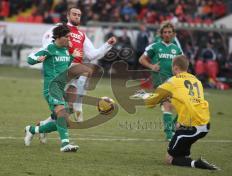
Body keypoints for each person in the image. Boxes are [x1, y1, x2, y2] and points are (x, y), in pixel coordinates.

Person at [38, 7, 116, 144]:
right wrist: (54, 55)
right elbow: (46, 41)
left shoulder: (81, 35)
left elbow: (92, 55)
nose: (77, 17)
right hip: (63, 67)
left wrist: (107, 45)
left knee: (66, 112)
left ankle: (41, 127)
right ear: (68, 15)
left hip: (73, 75)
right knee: (88, 70)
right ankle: (80, 105)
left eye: (79, 15)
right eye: (74, 14)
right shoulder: (59, 28)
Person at [24, 24, 92, 152]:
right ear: (59, 37)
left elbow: (64, 65)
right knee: (61, 112)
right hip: (51, 87)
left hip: (61, 88)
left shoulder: (66, 51)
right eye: (67, 37)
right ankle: (65, 144)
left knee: (64, 121)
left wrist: (72, 57)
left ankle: (32, 130)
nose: (69, 40)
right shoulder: (49, 48)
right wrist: (37, 59)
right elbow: (30, 58)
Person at [144, 55, 219, 170]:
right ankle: (187, 156)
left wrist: (145, 97)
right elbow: (188, 101)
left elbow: (151, 101)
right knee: (179, 134)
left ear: (176, 68)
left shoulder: (173, 81)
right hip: (201, 122)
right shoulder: (196, 80)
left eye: (172, 67)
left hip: (194, 126)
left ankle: (197, 164)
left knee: (169, 159)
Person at [134, 21, 183, 141]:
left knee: (184, 107)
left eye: (169, 32)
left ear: (173, 34)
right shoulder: (155, 46)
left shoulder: (177, 49)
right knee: (168, 105)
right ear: (161, 34)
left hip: (175, 82)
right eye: (165, 32)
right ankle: (169, 135)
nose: (167, 34)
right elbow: (141, 59)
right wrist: (152, 66)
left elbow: (182, 65)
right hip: (161, 81)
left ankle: (145, 96)